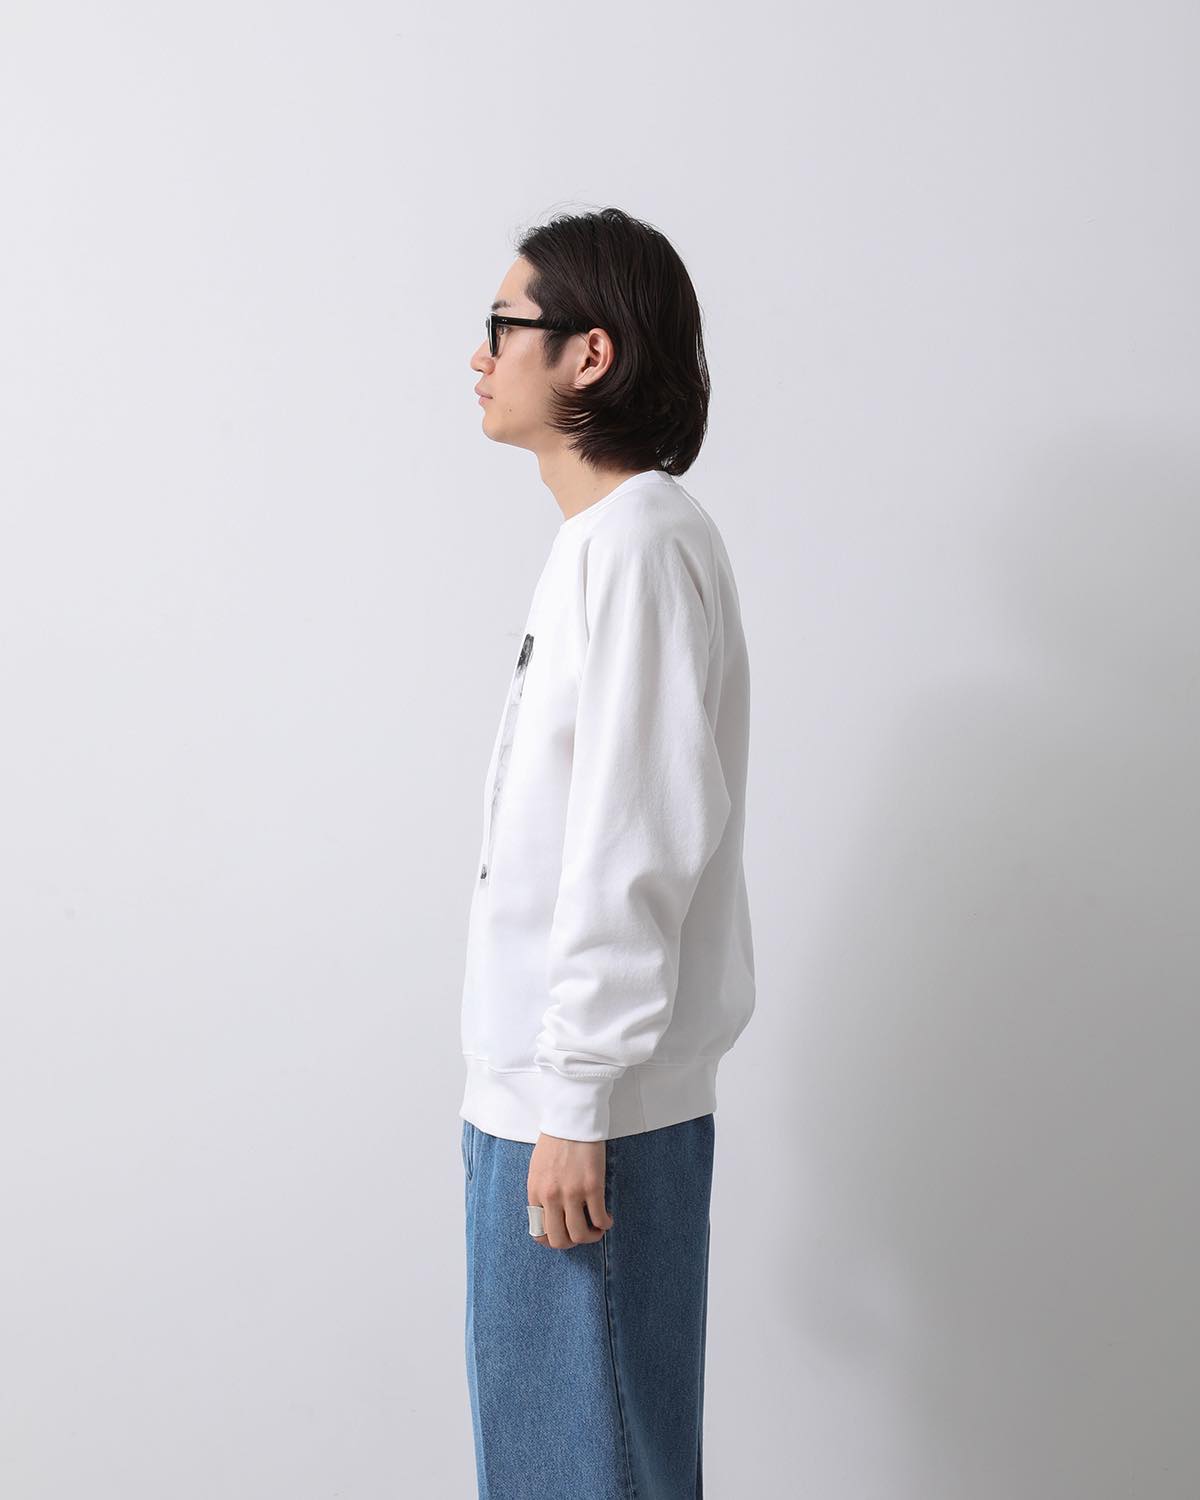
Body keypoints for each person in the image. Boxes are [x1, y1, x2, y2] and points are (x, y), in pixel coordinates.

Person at [459, 205, 755, 1500]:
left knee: (592, 1473)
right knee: (552, 1470)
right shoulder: (596, 546)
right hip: (537, 1103)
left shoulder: (637, 545)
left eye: (503, 325)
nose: (478, 356)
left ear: (590, 352)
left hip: (584, 1118)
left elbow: (638, 842)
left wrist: (576, 1100)